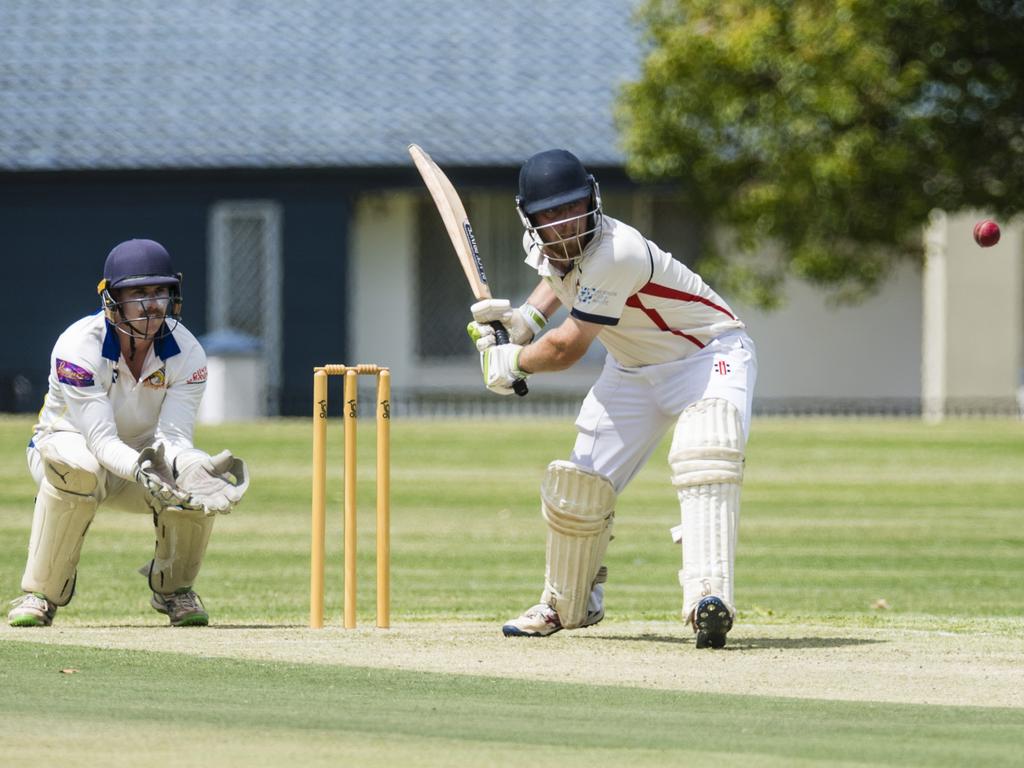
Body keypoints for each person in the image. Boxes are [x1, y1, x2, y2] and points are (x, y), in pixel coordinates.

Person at [468, 149, 757, 649]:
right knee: (577, 487)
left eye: (572, 207)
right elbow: (558, 281)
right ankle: (566, 604)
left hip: (705, 357)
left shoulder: (616, 250)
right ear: (530, 218)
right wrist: (525, 322)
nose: (564, 223)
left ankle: (709, 598)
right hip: (631, 370)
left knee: (705, 453)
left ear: (592, 199)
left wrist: (512, 362)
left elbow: (565, 350)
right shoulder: (548, 244)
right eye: (550, 214)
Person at [7, 238, 249, 628]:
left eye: (160, 291)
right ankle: (41, 594)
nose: (153, 303)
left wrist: (192, 468)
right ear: (112, 298)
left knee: (194, 477)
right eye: (139, 292)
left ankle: (174, 589)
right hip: (66, 446)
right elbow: (100, 441)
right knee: (80, 466)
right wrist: (146, 470)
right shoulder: (77, 348)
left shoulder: (188, 353)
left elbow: (173, 438)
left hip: (145, 459)